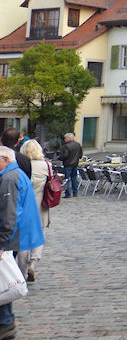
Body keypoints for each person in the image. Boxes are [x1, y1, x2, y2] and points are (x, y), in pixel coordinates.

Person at [0, 145, 44, 339]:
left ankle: (6, 322)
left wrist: (2, 242)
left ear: (5, 160)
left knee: (4, 279)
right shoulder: (15, 174)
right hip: (16, 235)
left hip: (10, 237)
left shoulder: (9, 178)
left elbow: (10, 214)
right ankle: (6, 321)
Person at [18, 140, 51, 282]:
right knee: (39, 237)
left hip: (25, 206)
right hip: (41, 206)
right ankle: (33, 263)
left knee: (23, 240)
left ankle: (22, 271)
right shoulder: (46, 165)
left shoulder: (20, 166)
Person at [59, 133, 82, 198]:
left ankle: (68, 193)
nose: (65, 139)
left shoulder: (66, 146)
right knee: (74, 179)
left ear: (69, 138)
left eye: (65, 138)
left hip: (68, 164)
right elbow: (80, 155)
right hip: (75, 164)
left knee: (66, 179)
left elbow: (65, 155)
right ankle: (75, 192)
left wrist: (59, 157)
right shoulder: (78, 145)